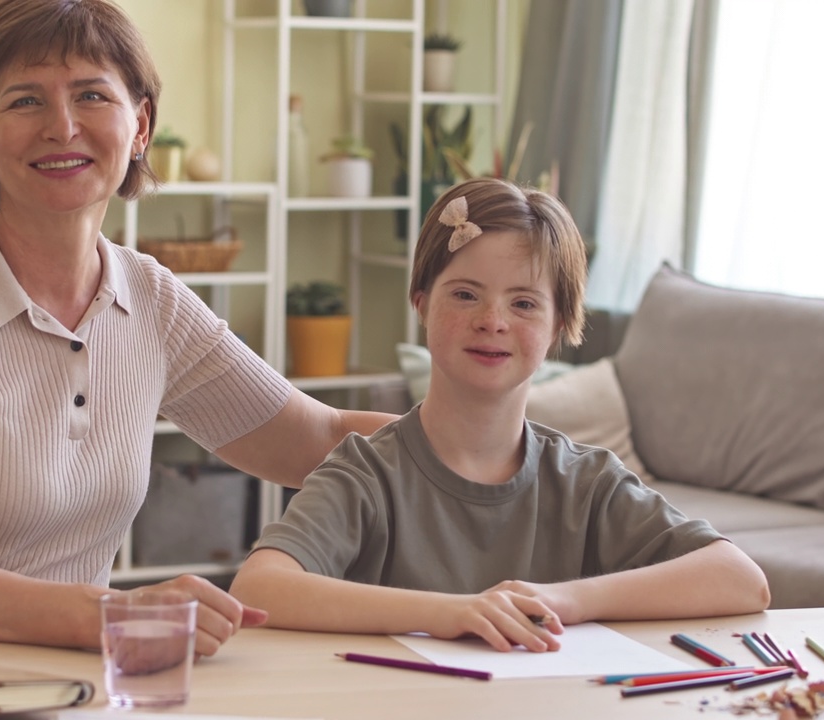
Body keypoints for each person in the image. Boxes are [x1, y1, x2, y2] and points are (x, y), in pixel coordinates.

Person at [0, 0, 393, 655]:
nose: (62, 127)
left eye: (91, 95)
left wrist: (511, 452)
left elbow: (319, 439)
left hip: (66, 663)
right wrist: (115, 613)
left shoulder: (150, 297)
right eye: (26, 101)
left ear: (140, 124)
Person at [230, 178, 771, 653]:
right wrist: (449, 613)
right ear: (421, 303)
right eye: (465, 295)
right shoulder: (366, 473)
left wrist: (563, 599)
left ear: (560, 325)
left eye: (524, 303)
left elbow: (741, 579)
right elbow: (259, 588)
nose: (492, 321)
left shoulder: (587, 482)